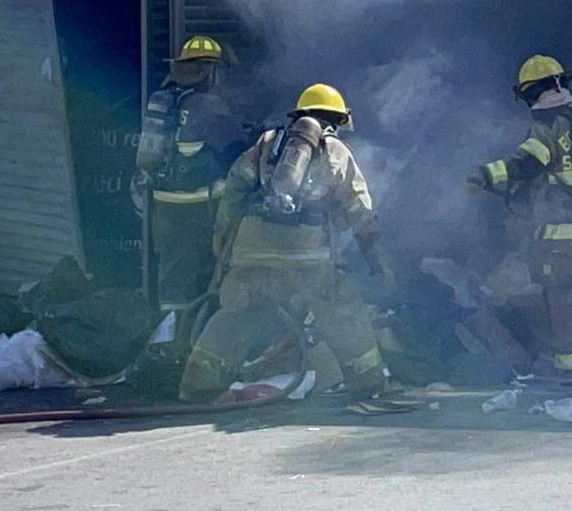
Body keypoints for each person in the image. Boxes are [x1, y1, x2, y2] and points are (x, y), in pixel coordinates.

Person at [179, 83, 398, 413]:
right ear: (334, 120)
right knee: (341, 310)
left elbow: (234, 191)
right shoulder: (334, 149)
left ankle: (198, 385)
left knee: (237, 315)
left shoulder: (266, 144)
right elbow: (360, 209)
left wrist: (222, 241)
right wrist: (377, 256)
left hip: (252, 250)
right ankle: (369, 385)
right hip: (307, 253)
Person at [467, 55, 572, 375]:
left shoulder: (548, 124)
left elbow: (526, 163)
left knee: (566, 306)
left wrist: (484, 175)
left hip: (563, 241)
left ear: (529, 93)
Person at [135, 35, 246, 315]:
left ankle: (167, 338)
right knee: (206, 273)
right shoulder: (209, 105)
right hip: (197, 210)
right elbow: (238, 150)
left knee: (173, 277)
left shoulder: (164, 101)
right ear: (209, 71)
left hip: (162, 205)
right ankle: (194, 338)